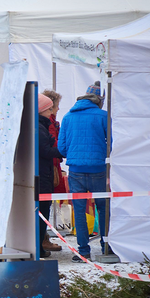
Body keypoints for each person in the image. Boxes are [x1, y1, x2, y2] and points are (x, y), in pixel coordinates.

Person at [58, 82, 109, 262]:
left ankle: (83, 251)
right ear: (98, 101)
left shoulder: (67, 117)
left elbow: (62, 148)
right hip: (98, 170)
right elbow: (112, 144)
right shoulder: (104, 116)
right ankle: (105, 248)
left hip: (76, 171)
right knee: (103, 209)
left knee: (79, 211)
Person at [37, 94, 64, 259]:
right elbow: (44, 151)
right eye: (49, 108)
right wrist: (63, 150)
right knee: (42, 214)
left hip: (42, 175)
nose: (53, 110)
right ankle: (38, 247)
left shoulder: (41, 125)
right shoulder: (39, 128)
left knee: (42, 213)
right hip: (42, 177)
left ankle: (39, 245)